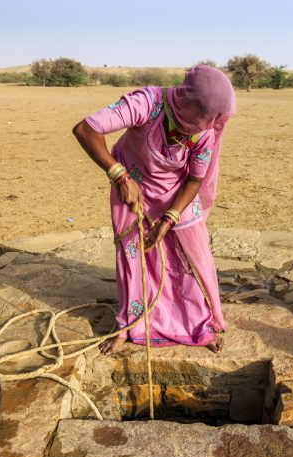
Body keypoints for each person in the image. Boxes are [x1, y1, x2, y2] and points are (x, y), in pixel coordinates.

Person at [72, 65, 236, 354]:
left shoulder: (206, 131)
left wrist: (169, 219)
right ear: (188, 103)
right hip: (131, 183)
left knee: (190, 258)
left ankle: (198, 326)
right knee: (134, 257)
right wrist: (119, 176)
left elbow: (195, 178)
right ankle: (131, 325)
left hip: (179, 193)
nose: (210, 124)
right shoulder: (146, 103)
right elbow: (86, 129)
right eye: (206, 117)